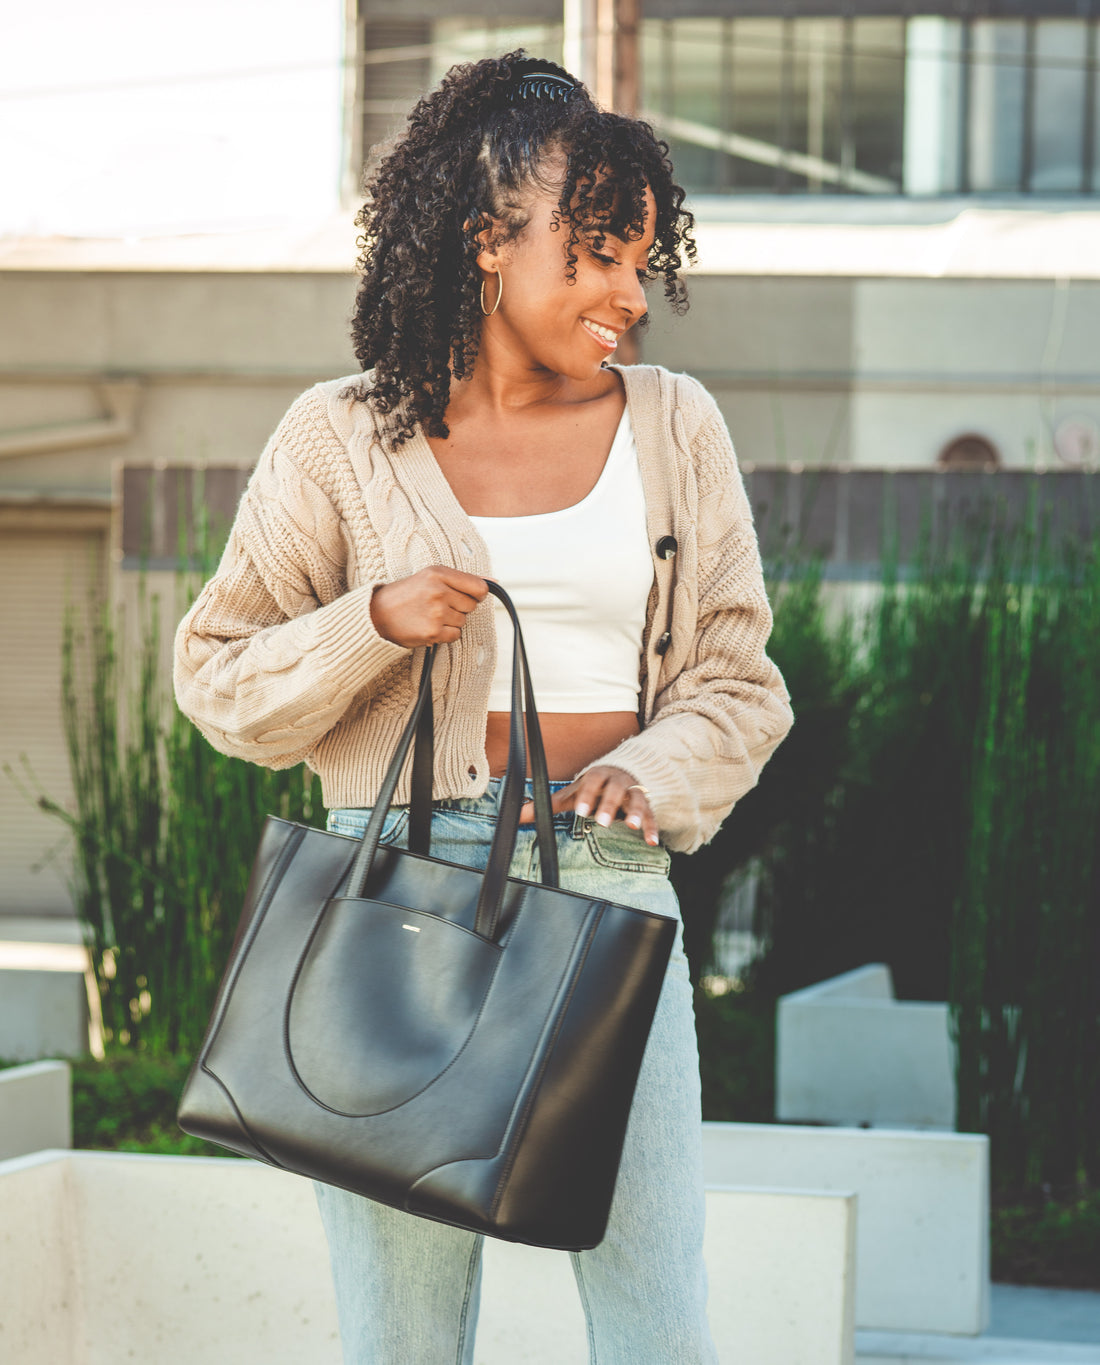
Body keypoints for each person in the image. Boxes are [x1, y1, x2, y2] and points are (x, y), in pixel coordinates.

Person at [174, 51, 793, 1365]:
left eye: (643, 260)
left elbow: (740, 680)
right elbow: (218, 675)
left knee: (656, 1319)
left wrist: (656, 770)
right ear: (488, 239)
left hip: (612, 896)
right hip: (396, 897)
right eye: (597, 256)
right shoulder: (338, 438)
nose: (632, 293)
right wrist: (370, 623)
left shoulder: (677, 426)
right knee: (401, 1333)